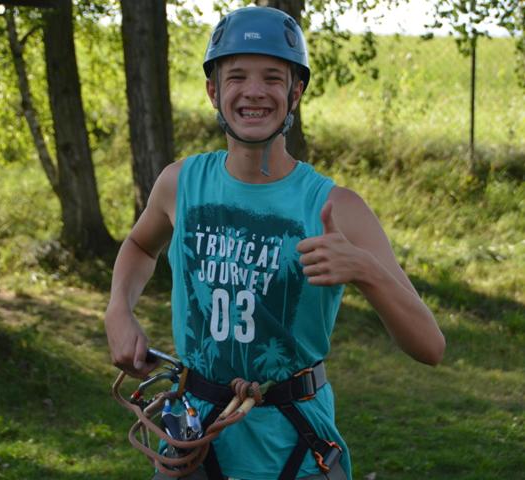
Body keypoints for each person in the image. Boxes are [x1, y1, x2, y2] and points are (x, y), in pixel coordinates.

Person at [104, 6, 446, 480]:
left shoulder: (336, 207)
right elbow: (142, 247)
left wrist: (365, 270)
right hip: (193, 446)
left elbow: (430, 346)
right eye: (236, 76)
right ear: (213, 91)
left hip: (296, 450)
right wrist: (118, 309)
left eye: (272, 78)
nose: (254, 91)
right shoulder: (180, 184)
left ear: (295, 92)